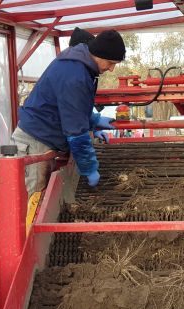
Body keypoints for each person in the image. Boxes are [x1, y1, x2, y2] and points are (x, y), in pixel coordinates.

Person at [11, 29, 126, 195]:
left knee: (40, 198)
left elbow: (72, 107)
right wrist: (90, 168)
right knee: (33, 203)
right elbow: (76, 132)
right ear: (98, 55)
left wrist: (93, 120)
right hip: (34, 143)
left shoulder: (80, 66)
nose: (112, 69)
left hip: (43, 139)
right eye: (110, 63)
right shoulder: (76, 75)